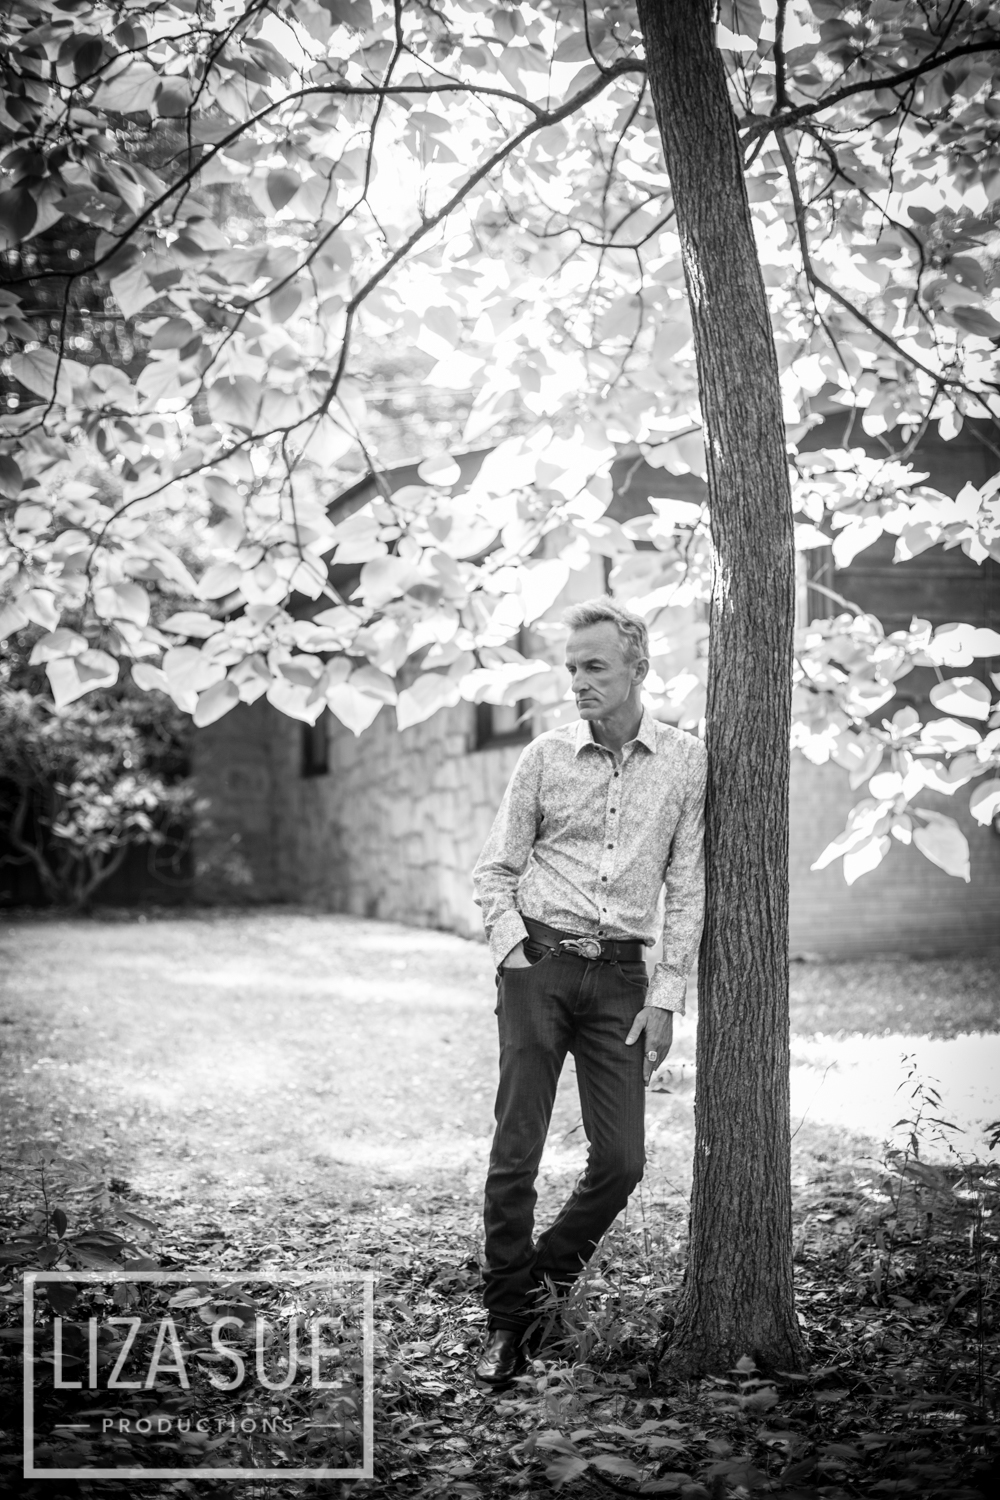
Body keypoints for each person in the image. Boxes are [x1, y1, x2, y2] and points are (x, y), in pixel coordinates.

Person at [471, 597, 707, 1386]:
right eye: (571, 668)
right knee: (517, 1150)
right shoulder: (542, 757)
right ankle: (509, 1325)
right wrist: (513, 956)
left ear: (638, 666)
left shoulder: (684, 761)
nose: (577, 682)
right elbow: (495, 870)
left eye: (594, 666)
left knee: (623, 1160)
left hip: (621, 982)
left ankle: (537, 1285)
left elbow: (687, 885)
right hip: (538, 965)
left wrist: (666, 997)